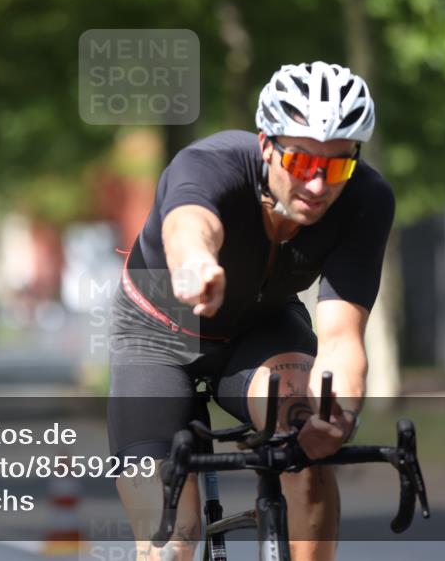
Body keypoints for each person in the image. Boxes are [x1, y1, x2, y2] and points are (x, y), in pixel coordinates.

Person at [107, 62, 394, 561]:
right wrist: (195, 266)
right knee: (172, 538)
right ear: (267, 147)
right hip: (159, 333)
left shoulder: (366, 200)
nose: (318, 185)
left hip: (260, 330)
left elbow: (343, 337)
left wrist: (338, 414)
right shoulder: (211, 163)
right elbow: (188, 225)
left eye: (338, 166)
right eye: (302, 163)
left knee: (307, 444)